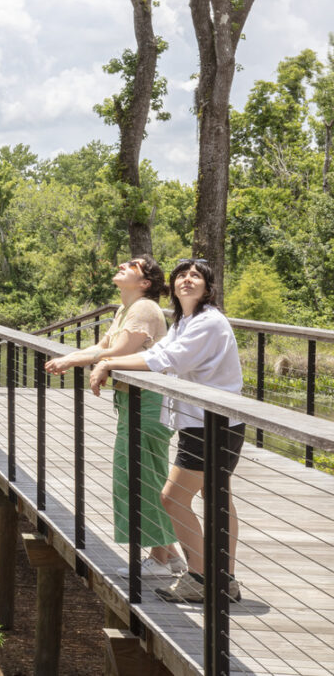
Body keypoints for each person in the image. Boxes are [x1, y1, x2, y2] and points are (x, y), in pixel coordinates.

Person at [91, 258, 245, 604]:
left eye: (196, 276)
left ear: (208, 287)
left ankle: (202, 577)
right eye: (182, 275)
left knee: (173, 498)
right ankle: (224, 580)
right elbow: (160, 351)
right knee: (216, 500)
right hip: (205, 422)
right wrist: (109, 362)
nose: (187, 280)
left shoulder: (208, 323)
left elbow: (164, 360)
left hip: (213, 424)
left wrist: (109, 363)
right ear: (173, 285)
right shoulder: (185, 322)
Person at [44, 257, 182, 578]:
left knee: (144, 475)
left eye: (132, 265)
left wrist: (86, 363)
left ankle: (160, 561)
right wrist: (70, 358)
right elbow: (103, 346)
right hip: (131, 401)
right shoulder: (124, 309)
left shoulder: (146, 309)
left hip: (149, 403)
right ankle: (170, 554)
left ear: (145, 283)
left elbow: (118, 353)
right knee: (134, 472)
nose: (122, 264)